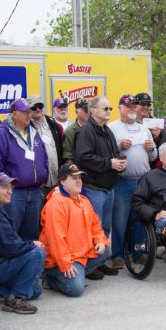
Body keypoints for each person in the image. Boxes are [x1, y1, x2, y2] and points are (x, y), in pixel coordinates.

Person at [0, 172, 45, 314]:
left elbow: (9, 243)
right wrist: (32, 245)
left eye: (11, 187)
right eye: (5, 187)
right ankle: (15, 300)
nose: (10, 191)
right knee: (37, 253)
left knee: (36, 290)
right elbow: (9, 246)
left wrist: (28, 244)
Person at [73, 96, 125, 276]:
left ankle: (100, 260)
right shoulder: (86, 131)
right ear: (93, 110)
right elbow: (83, 158)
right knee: (92, 228)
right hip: (93, 187)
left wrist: (119, 161)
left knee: (105, 228)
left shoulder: (107, 130)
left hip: (108, 187)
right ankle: (89, 266)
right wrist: (108, 163)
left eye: (110, 109)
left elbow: (114, 153)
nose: (109, 111)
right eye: (106, 108)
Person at [40, 164, 110, 296]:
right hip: (59, 259)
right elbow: (56, 239)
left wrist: (100, 240)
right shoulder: (56, 203)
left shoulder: (84, 200)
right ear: (62, 181)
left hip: (80, 255)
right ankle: (50, 278)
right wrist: (65, 264)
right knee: (76, 290)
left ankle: (76, 274)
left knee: (105, 249)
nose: (79, 181)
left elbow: (95, 224)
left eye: (80, 178)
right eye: (74, 178)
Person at [107, 94, 158, 269]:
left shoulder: (143, 128)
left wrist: (152, 149)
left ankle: (138, 252)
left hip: (143, 180)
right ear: (120, 108)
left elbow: (154, 156)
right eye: (128, 106)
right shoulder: (112, 128)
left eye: (134, 106)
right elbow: (107, 154)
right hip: (123, 180)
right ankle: (118, 255)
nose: (131, 109)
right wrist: (120, 146)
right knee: (120, 219)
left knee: (140, 218)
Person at [0, 98, 48, 240]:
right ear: (14, 114)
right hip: (14, 192)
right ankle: (14, 262)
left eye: (30, 111)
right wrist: (4, 188)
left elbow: (43, 156)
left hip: (35, 191)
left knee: (32, 233)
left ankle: (31, 260)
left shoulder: (33, 131)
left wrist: (44, 175)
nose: (29, 115)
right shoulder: (2, 134)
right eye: (25, 112)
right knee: (12, 232)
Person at [28, 96, 64, 194]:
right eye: (34, 107)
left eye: (40, 106)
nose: (38, 109)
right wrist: (36, 178)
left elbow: (61, 150)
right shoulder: (25, 127)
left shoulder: (53, 124)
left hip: (57, 179)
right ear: (28, 110)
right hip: (38, 183)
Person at [62, 97, 90, 163]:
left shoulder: (95, 128)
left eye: (91, 110)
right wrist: (74, 171)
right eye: (86, 110)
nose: (89, 112)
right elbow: (68, 156)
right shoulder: (70, 131)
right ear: (77, 112)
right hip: (79, 169)